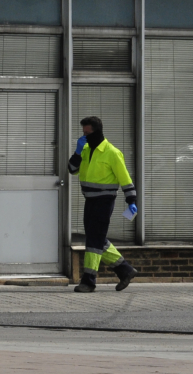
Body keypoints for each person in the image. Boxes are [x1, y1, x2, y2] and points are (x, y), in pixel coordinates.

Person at [67, 115, 139, 292]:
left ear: (96, 132)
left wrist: (131, 200)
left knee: (93, 239)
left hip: (105, 200)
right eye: (83, 132)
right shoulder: (84, 150)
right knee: (97, 238)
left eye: (87, 132)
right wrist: (77, 152)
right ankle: (126, 270)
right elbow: (71, 170)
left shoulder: (112, 153)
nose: (84, 136)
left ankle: (89, 280)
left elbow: (125, 178)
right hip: (90, 200)